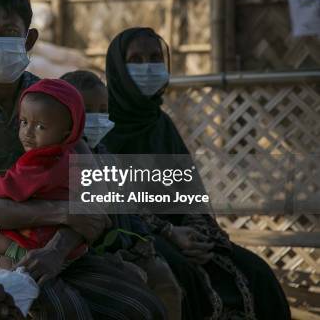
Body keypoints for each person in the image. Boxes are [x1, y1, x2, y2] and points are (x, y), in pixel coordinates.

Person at [0, 0, 167, 319]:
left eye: (9, 31)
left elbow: (93, 188)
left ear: (30, 39)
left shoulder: (51, 97)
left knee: (142, 307)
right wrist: (62, 212)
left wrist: (57, 248)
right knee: (46, 306)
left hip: (54, 238)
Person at [101, 27, 291, 320]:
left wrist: (199, 233)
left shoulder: (160, 123)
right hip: (134, 233)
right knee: (184, 278)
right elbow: (112, 201)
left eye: (154, 58)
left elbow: (187, 189)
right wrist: (168, 233)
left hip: (182, 233)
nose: (147, 67)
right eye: (135, 60)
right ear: (118, 68)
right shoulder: (102, 126)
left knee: (257, 272)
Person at [62, 70, 182, 320]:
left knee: (167, 284)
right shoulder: (63, 162)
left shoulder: (109, 157)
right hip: (93, 256)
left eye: (102, 110)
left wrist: (143, 242)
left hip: (130, 249)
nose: (96, 118)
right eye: (87, 110)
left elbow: (131, 209)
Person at [0, 79, 89, 278]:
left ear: (66, 132)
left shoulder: (39, 163)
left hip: (37, 246)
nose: (28, 133)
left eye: (40, 126)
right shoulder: (70, 158)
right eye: (24, 122)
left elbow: (10, 188)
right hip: (71, 247)